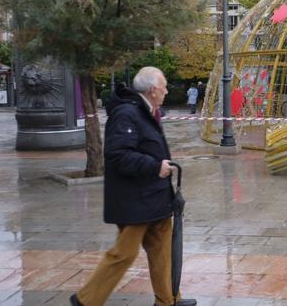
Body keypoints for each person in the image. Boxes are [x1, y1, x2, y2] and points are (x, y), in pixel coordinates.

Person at [70, 67, 196, 306]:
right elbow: (117, 155)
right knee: (124, 254)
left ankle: (168, 299)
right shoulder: (127, 114)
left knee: (162, 251)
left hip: (154, 196)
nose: (167, 91)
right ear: (152, 90)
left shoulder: (146, 111)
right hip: (135, 200)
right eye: (164, 87)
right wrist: (154, 166)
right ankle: (85, 300)